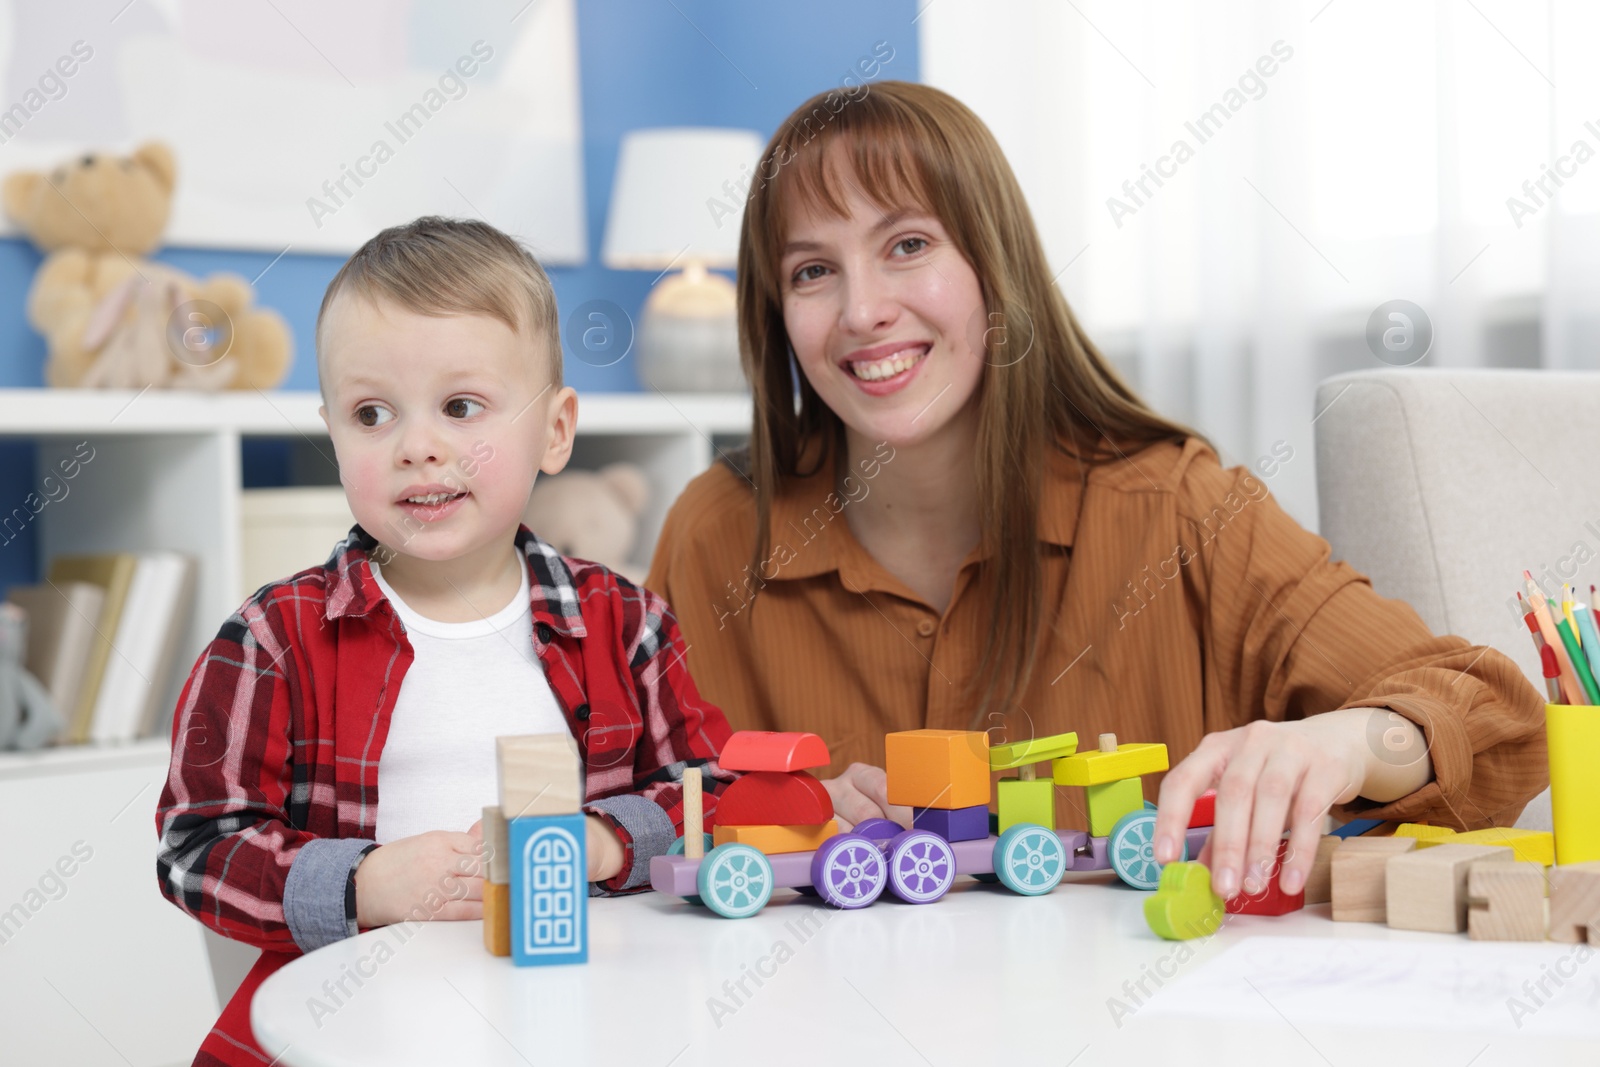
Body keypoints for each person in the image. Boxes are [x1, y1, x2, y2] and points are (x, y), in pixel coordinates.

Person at [646, 81, 1546, 906]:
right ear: (777, 317)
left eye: (908, 245)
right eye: (812, 271)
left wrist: (1346, 742)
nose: (861, 309)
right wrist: (755, 814)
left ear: (997, 271)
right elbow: (637, 808)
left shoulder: (1181, 509)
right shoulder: (715, 539)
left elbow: (1500, 720)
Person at [157, 217, 734, 1067]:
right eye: (371, 413)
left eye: (461, 407)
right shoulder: (273, 638)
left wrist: (606, 842)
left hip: (588, 1018)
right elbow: (196, 843)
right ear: (333, 433)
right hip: (356, 1033)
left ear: (555, 431)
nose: (416, 445)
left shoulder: (625, 621)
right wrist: (366, 882)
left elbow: (714, 790)